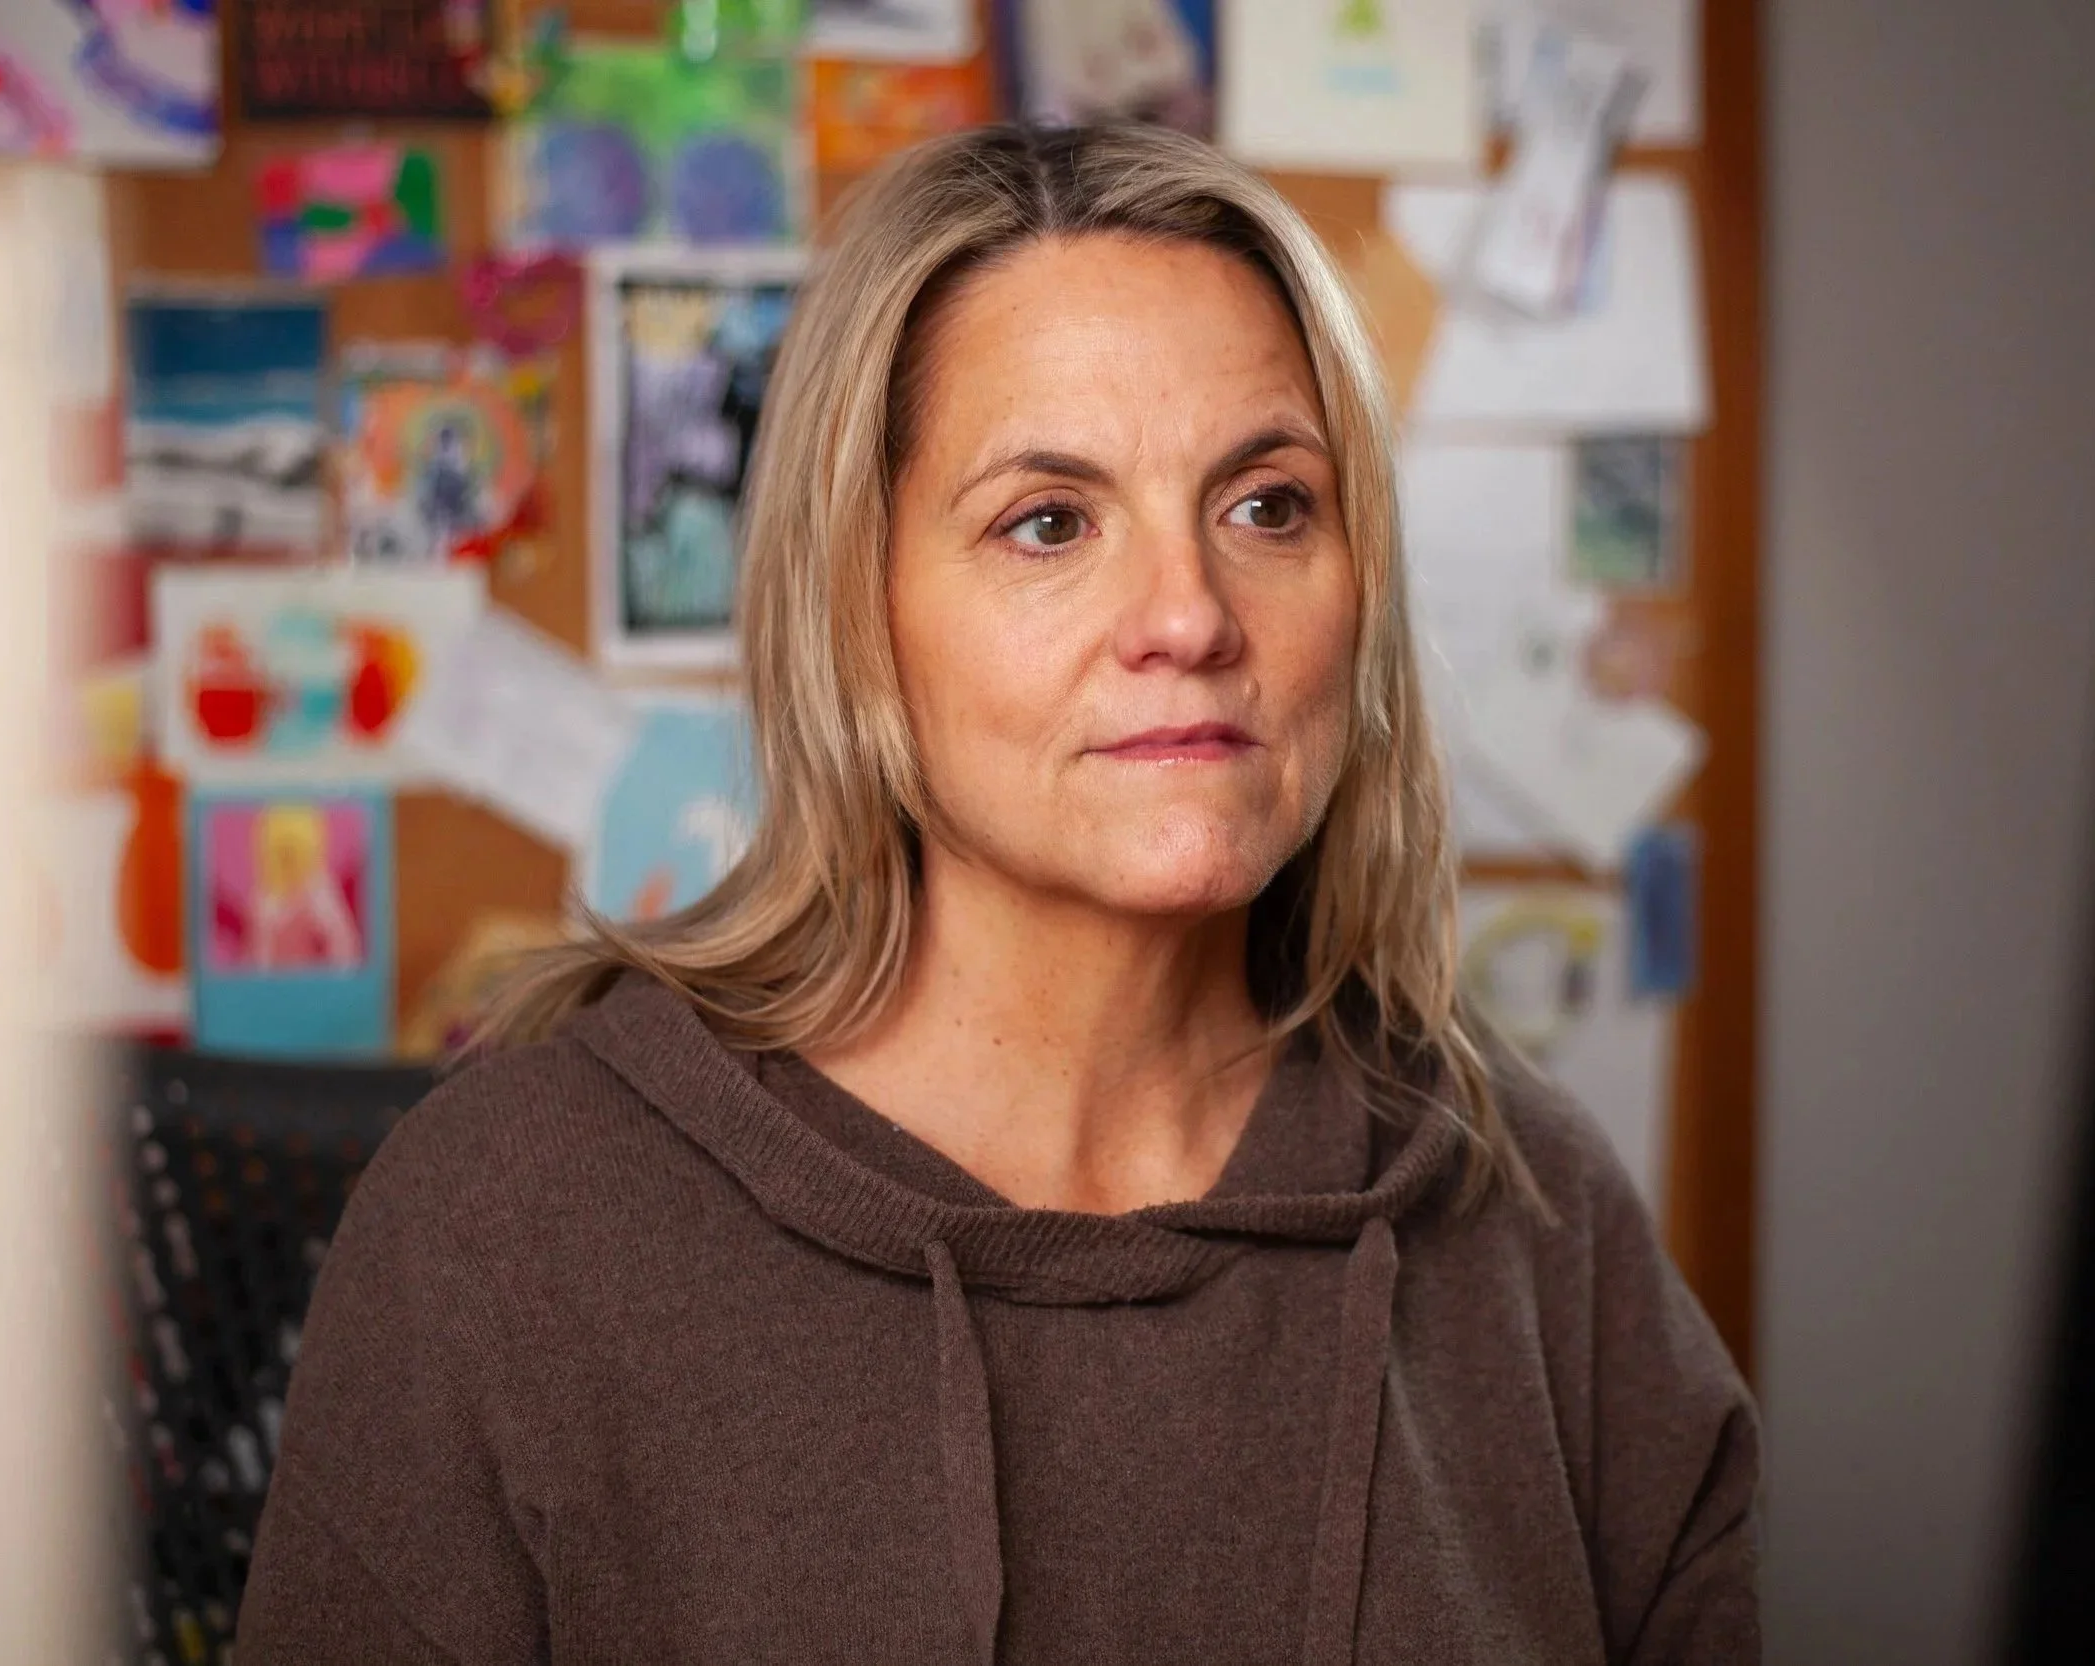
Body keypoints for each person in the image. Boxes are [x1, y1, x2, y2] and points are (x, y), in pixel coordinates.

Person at [239, 124, 1758, 1665]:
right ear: (859, 612)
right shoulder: (509, 1221)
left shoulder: (1532, 1208)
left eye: (1269, 505)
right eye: (1050, 521)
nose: (1188, 613)